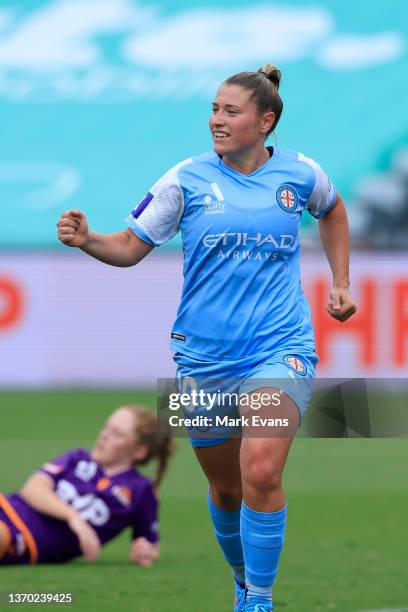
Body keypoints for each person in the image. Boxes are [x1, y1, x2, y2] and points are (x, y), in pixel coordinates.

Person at [56, 64, 356, 611]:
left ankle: (258, 600)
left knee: (261, 469)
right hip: (202, 355)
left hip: (279, 347)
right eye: (215, 109)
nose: (217, 120)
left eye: (230, 111)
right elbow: (128, 246)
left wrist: (340, 282)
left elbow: (333, 211)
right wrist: (87, 240)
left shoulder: (301, 173)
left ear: (265, 121)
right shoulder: (185, 179)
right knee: (226, 490)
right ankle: (243, 579)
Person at [0, 405, 173, 566]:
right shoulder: (77, 458)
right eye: (106, 427)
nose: (104, 435)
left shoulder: (141, 490)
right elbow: (32, 489)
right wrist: (73, 518)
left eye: (117, 434)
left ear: (139, 451)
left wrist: (145, 551)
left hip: (24, 537)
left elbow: (149, 544)